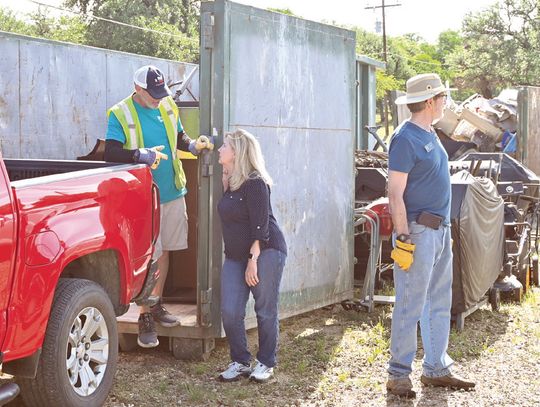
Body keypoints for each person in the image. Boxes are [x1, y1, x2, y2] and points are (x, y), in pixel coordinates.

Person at [104, 65, 213, 348]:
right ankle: (143, 315)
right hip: (141, 198)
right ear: (137, 88)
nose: (158, 98)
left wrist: (193, 146)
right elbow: (111, 152)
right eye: (152, 93)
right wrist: (141, 155)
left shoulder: (167, 106)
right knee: (151, 255)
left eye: (160, 92)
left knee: (164, 254)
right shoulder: (120, 113)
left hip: (172, 191)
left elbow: (179, 137)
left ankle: (156, 304)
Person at [386, 73, 476, 397]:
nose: (445, 102)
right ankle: (398, 375)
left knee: (438, 301)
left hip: (438, 232)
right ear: (428, 101)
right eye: (442, 98)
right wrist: (405, 237)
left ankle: (436, 367)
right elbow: (395, 194)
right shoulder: (404, 138)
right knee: (410, 303)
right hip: (418, 232)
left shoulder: (430, 133)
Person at [216, 129, 287, 383]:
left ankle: (266, 362)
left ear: (237, 152)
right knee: (230, 310)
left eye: (224, 146)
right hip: (236, 255)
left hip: (265, 250)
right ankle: (240, 361)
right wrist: (226, 176)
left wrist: (252, 261)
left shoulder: (256, 182)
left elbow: (260, 226)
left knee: (265, 309)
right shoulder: (231, 181)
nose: (219, 149)